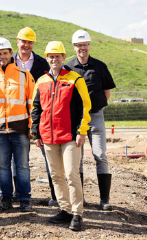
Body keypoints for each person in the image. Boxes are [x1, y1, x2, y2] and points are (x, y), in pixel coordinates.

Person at [31, 41, 91, 231]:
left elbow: (85, 106)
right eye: (51, 56)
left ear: (64, 57)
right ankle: (64, 210)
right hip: (48, 136)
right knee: (56, 175)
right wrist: (36, 133)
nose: (54, 59)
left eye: (57, 56)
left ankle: (77, 213)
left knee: (72, 174)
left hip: (71, 136)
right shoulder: (41, 81)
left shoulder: (75, 79)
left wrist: (82, 131)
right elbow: (35, 109)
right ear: (47, 58)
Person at [65, 30, 116, 211]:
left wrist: (99, 106)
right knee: (76, 159)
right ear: (74, 47)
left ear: (89, 46)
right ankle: (81, 200)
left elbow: (107, 91)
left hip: (96, 117)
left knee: (100, 155)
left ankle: (105, 200)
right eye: (79, 45)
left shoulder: (100, 67)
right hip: (76, 120)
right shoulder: (68, 68)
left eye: (85, 44)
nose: (82, 48)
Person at [0, 37, 36, 211]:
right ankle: (6, 198)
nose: (2, 56)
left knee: (22, 165)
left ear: (10, 53)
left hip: (21, 130)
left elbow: (32, 104)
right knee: (3, 166)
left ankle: (24, 199)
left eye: (5, 53)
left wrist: (31, 127)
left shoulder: (24, 75)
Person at [13, 27, 56, 206]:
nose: (26, 45)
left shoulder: (41, 63)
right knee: (18, 157)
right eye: (24, 41)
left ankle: (56, 195)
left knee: (49, 156)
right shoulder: (9, 61)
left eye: (30, 42)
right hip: (16, 115)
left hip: (40, 115)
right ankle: (19, 193)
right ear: (17, 41)